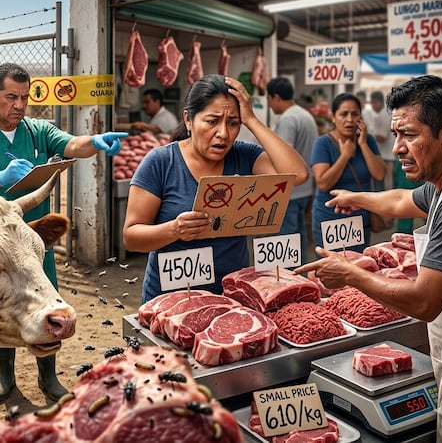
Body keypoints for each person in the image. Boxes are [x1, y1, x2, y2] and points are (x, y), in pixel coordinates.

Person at [295, 75, 442, 442]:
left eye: (409, 135)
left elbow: (424, 302)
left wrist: (349, 274)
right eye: (395, 134)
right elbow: (401, 199)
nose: (397, 148)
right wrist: (356, 198)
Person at [0, 62, 126, 403]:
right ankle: (5, 376)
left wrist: (96, 142)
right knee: (1, 304)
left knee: (47, 303)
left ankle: (48, 377)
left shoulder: (39, 131)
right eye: (11, 97)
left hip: (31, 244)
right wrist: (0, 178)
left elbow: (73, 145)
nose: (19, 105)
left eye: (25, 98)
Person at [121, 74, 309, 303]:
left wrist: (252, 120)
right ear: (188, 120)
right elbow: (131, 237)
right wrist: (174, 230)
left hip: (231, 299)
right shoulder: (160, 162)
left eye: (233, 123)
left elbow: (298, 175)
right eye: (212, 122)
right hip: (170, 302)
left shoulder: (245, 156)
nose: (223, 134)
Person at [310, 92, 386, 254]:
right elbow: (323, 183)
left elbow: (380, 174)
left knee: (359, 265)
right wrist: (344, 156)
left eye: (355, 114)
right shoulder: (322, 143)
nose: (350, 120)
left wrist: (363, 144)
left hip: (360, 221)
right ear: (333, 117)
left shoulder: (368, 140)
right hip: (329, 220)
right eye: (344, 114)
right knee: (330, 266)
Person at [267, 77, 319, 264]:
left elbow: (282, 156)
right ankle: (300, 275)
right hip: (305, 189)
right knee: (299, 237)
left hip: (289, 192)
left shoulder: (288, 119)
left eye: (269, 99)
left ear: (276, 97)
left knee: (286, 243)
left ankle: (289, 278)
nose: (270, 104)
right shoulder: (306, 115)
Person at [364, 90, 395, 190]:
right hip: (385, 155)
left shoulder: (384, 115)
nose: (372, 106)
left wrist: (367, 135)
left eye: (374, 103)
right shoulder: (384, 113)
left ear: (379, 102)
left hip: (386, 156)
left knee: (386, 185)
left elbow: (381, 138)